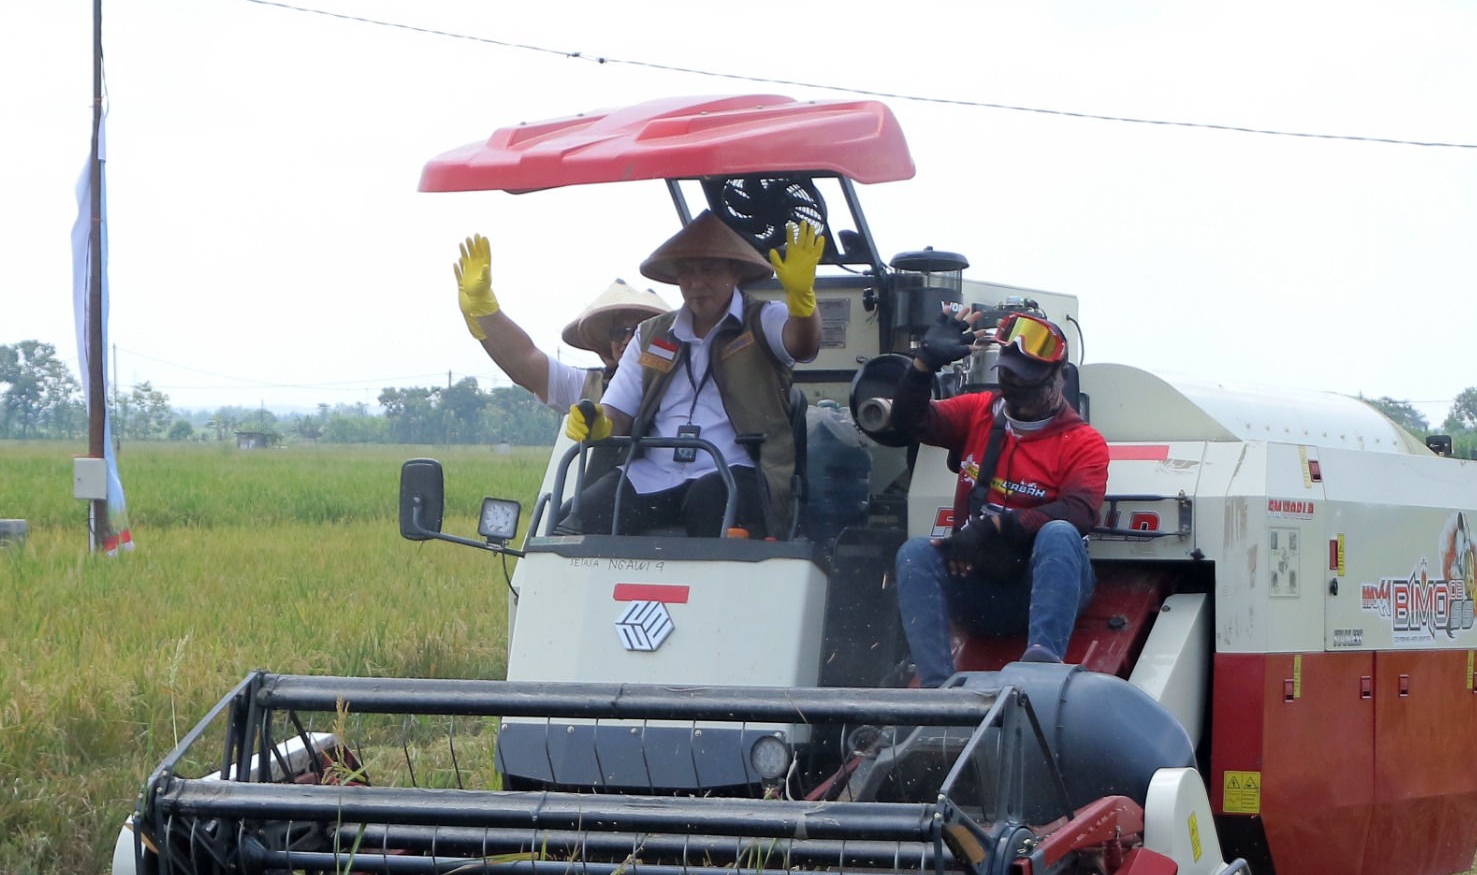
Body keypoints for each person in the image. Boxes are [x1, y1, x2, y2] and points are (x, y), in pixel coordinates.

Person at [883, 309, 1108, 686]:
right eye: (1008, 378)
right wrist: (922, 365)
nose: (1017, 393)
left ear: (1060, 379)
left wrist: (993, 527)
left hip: (1040, 587)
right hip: (979, 587)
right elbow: (909, 422)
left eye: (1030, 383)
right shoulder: (979, 413)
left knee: (1060, 533)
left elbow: (1079, 511)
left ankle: (1042, 665)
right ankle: (937, 692)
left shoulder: (1083, 443)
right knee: (914, 554)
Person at [566, 211, 824, 538]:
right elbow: (618, 412)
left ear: (736, 272)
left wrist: (802, 301)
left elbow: (802, 344)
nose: (696, 283)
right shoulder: (650, 335)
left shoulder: (763, 320)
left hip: (737, 471)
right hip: (652, 474)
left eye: (709, 269)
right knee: (579, 515)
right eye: (686, 272)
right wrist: (598, 422)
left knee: (710, 501)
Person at [452, 235, 668, 411]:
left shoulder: (687, 386)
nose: (628, 340)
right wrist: (485, 312)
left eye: (641, 331)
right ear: (608, 344)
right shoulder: (591, 389)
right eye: (620, 332)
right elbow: (524, 361)